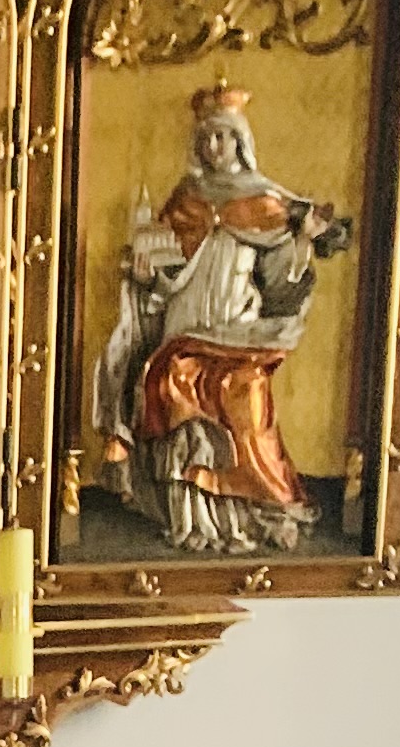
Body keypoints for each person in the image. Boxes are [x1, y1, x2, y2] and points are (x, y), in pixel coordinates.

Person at [90, 84, 350, 552]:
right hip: (185, 327)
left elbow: (280, 281)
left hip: (240, 330)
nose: (213, 146)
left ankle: (262, 506)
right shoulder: (185, 201)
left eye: (222, 137)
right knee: (172, 387)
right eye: (206, 138)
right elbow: (166, 270)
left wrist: (302, 241)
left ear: (239, 141)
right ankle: (193, 519)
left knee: (245, 398)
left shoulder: (266, 203)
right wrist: (148, 276)